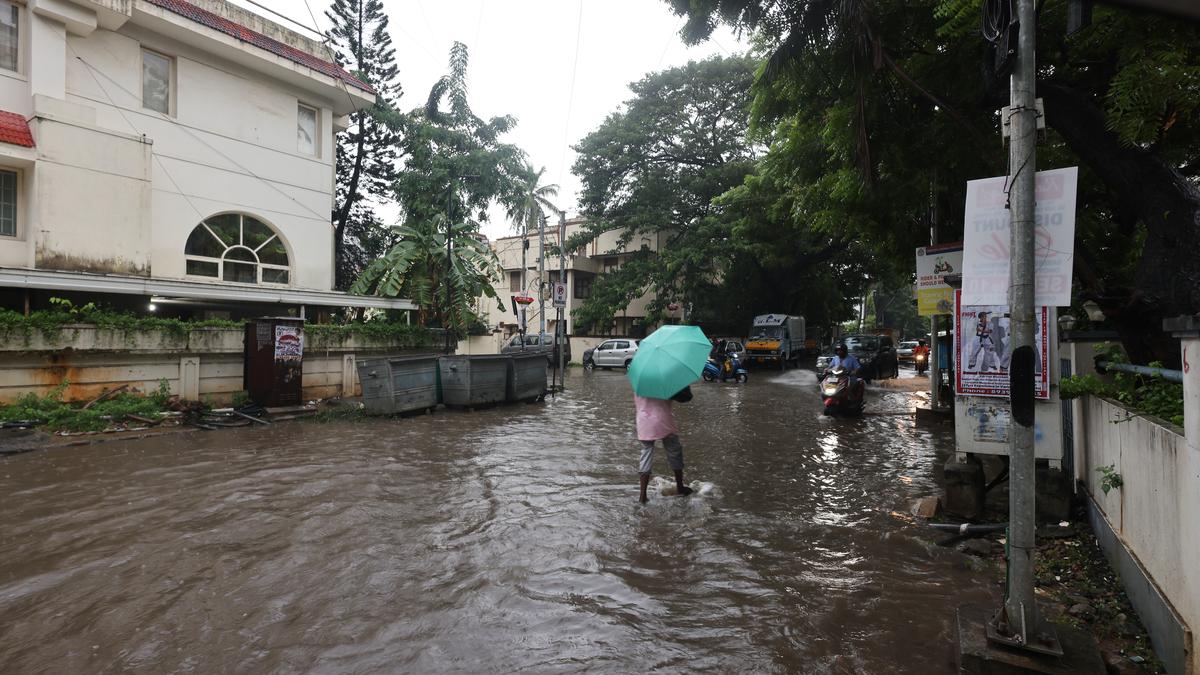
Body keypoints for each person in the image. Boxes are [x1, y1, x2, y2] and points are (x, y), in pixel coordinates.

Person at [634, 386, 694, 504]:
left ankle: (642, 496)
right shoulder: (666, 383)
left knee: (646, 453)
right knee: (674, 452)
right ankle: (680, 487)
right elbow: (685, 397)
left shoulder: (639, 382)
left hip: (644, 422)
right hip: (663, 421)